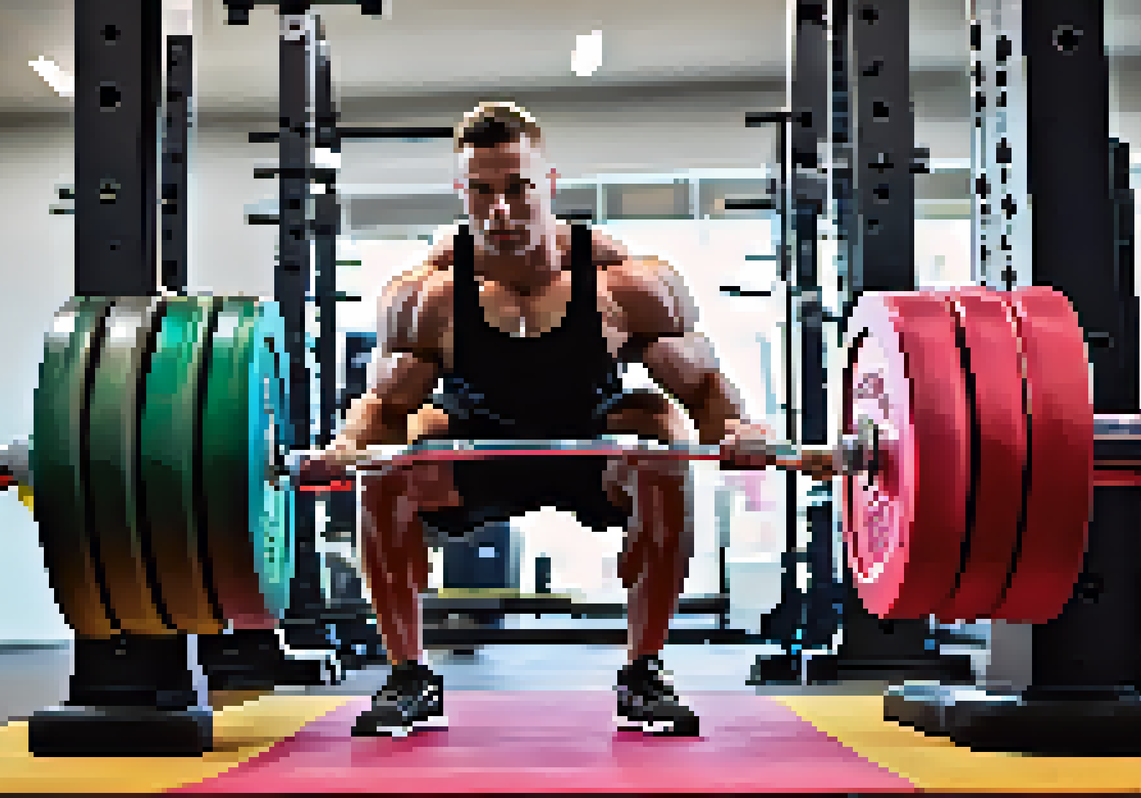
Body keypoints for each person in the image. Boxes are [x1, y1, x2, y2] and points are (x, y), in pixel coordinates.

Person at [307, 102, 834, 738]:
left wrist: (742, 431)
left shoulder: (623, 284)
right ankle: (408, 675)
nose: (499, 211)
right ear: (462, 191)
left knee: (660, 435)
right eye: (482, 191)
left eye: (517, 189)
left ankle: (644, 671)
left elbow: (702, 389)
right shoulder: (431, 295)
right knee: (392, 465)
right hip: (479, 451)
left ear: (547, 184)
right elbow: (386, 408)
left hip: (592, 448)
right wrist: (344, 449)